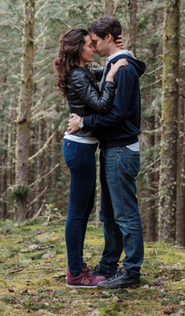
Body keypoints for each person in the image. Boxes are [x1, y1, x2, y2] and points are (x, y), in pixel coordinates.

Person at [68, 15, 146, 290]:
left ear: (109, 38)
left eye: (97, 41)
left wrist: (84, 122)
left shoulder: (122, 69)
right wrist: (118, 56)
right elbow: (101, 73)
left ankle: (132, 271)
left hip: (121, 149)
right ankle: (108, 265)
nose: (93, 46)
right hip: (112, 149)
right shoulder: (117, 64)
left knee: (124, 213)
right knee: (110, 214)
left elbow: (114, 114)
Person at [54, 27, 129, 288]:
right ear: (77, 50)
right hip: (79, 148)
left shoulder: (82, 72)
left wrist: (118, 52)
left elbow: (101, 72)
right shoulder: (77, 76)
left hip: (82, 147)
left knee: (83, 211)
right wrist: (110, 78)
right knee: (77, 213)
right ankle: (75, 273)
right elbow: (101, 105)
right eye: (88, 45)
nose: (93, 48)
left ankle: (77, 268)